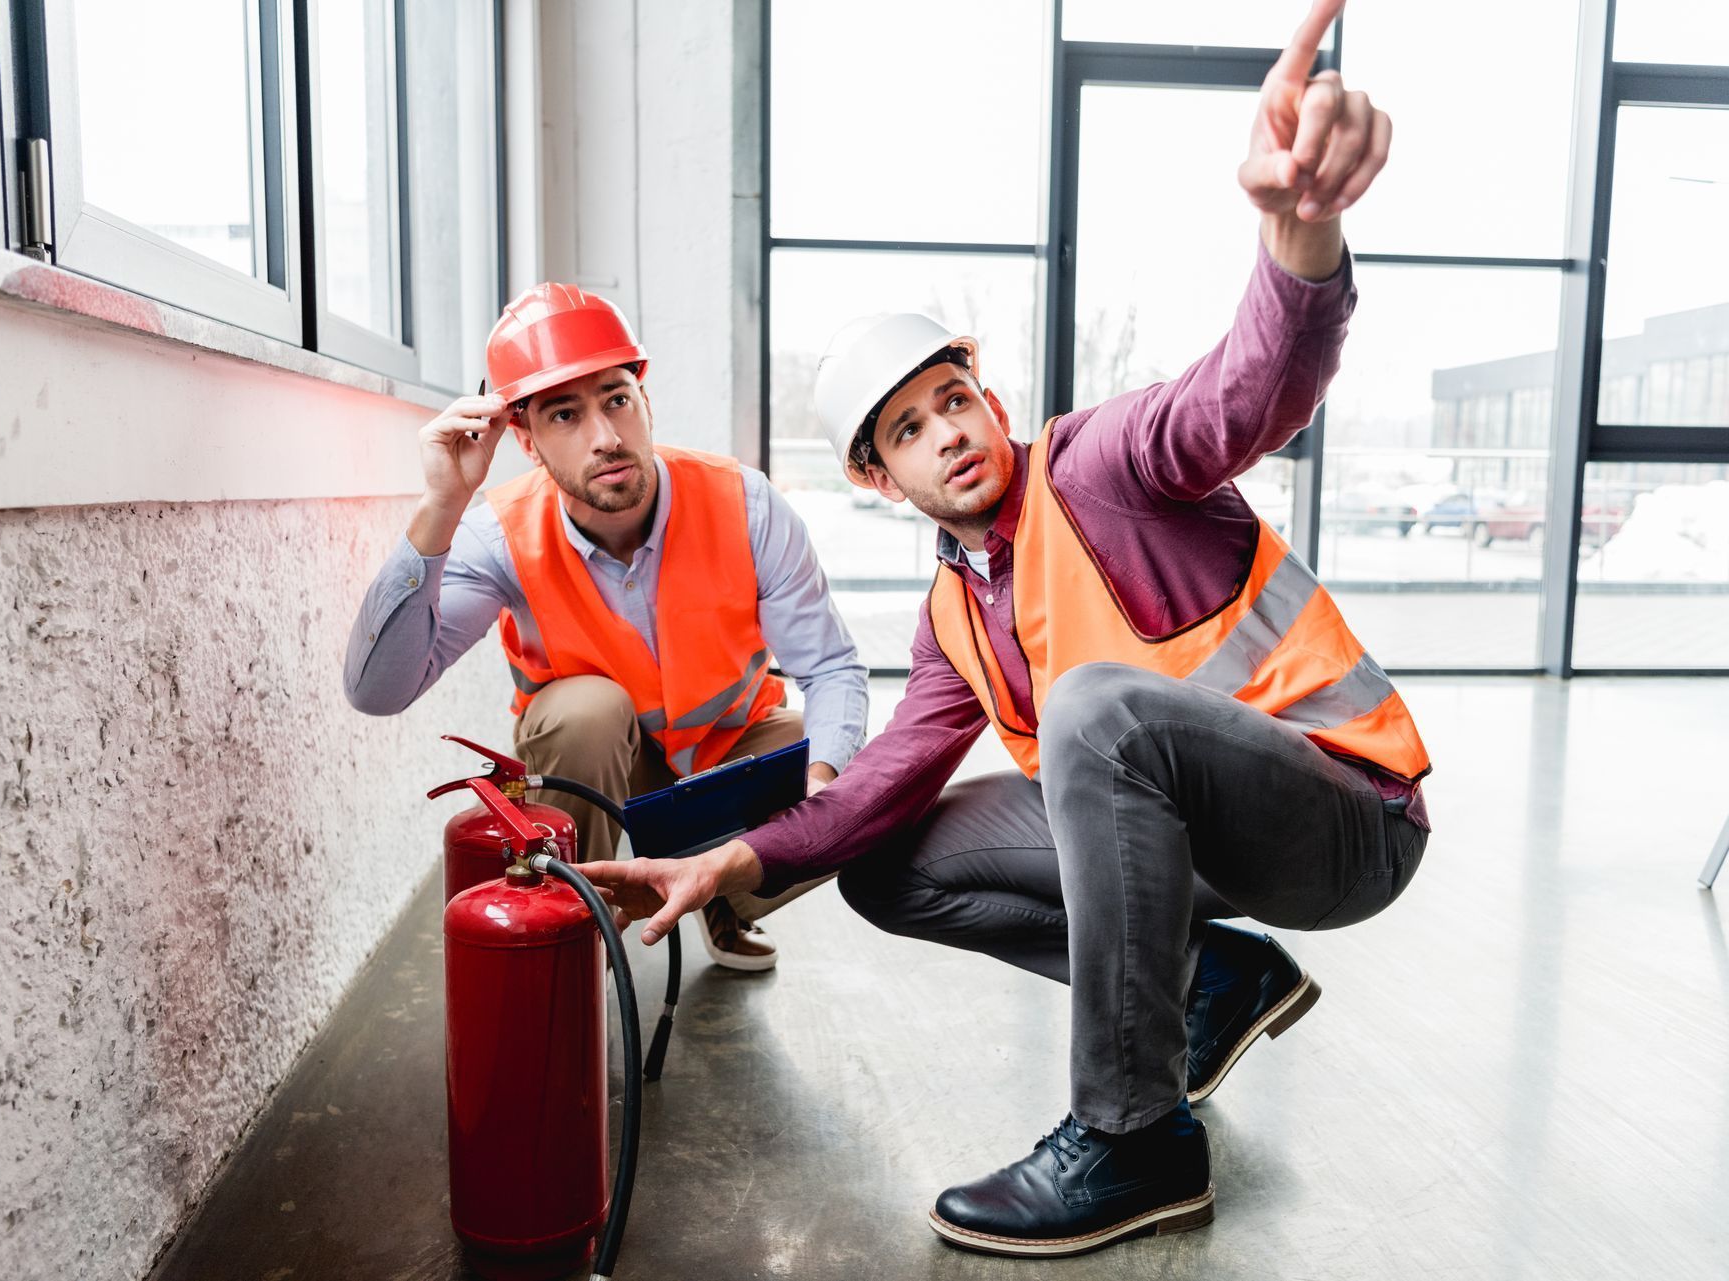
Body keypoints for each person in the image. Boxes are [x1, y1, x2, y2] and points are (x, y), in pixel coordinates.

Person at [577, 0, 1431, 1257]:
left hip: (1344, 821)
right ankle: (1213, 981)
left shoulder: (1105, 467)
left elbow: (1252, 389)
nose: (953, 434)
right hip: (1209, 845)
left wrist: (1300, 240)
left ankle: (1137, 1134)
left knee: (1090, 703)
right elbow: (877, 786)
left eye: (956, 399)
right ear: (881, 478)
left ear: (992, 396)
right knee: (885, 862)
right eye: (912, 430)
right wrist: (738, 862)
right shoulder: (952, 614)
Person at [344, 283, 867, 971]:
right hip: (598, 777)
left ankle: (720, 891)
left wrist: (825, 787)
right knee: (584, 712)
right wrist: (440, 507)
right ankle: (572, 938)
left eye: (616, 399)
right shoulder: (497, 533)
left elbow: (831, 670)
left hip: (724, 763)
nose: (606, 437)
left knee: (847, 768)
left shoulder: (745, 504)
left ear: (645, 400)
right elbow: (377, 690)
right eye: (565, 414)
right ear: (525, 440)